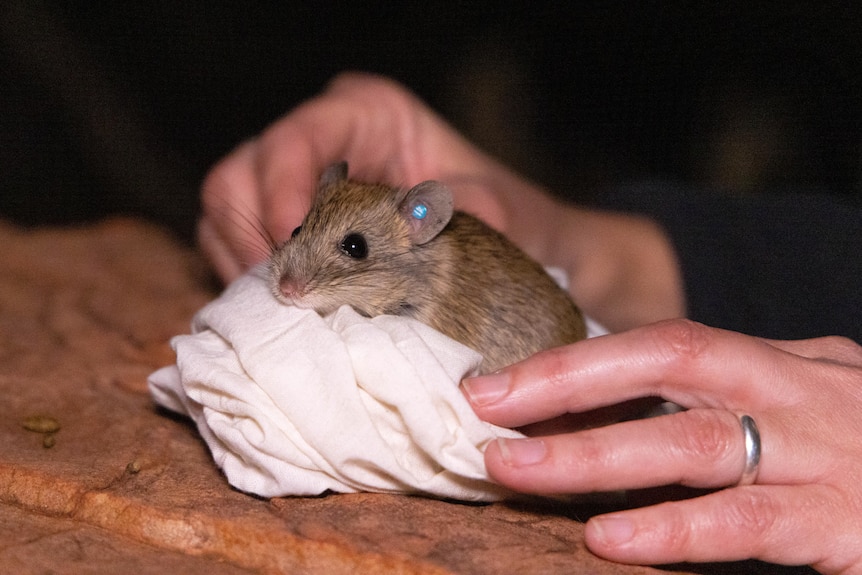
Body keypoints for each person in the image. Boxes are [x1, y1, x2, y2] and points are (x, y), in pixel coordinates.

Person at [198, 72, 862, 574]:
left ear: (420, 224)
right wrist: (582, 241)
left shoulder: (433, 272)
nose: (290, 272)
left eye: (350, 250)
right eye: (295, 235)